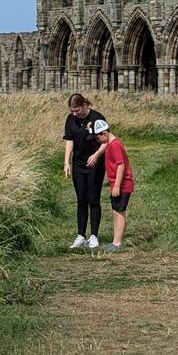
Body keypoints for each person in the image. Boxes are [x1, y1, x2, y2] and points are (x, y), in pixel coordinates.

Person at [63, 93, 106, 250]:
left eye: (77, 110)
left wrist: (96, 155)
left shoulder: (97, 118)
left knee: (93, 199)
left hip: (95, 163)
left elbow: (106, 141)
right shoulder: (70, 119)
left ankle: (94, 236)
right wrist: (66, 162)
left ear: (84, 105)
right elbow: (69, 140)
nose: (74, 114)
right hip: (78, 164)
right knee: (81, 199)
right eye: (72, 111)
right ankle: (81, 235)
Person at [87, 119, 134, 251]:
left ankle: (117, 243)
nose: (98, 141)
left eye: (98, 138)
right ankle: (115, 241)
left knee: (119, 212)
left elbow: (121, 165)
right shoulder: (110, 142)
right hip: (115, 183)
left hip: (122, 184)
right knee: (115, 211)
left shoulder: (114, 145)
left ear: (104, 133)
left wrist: (117, 185)